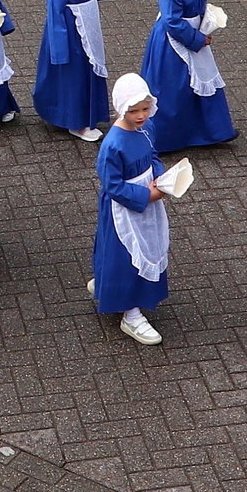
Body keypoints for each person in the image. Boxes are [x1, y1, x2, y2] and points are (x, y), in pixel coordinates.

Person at [135, 0, 235, 154]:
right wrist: (197, 39)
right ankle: (165, 138)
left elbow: (200, 3)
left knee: (199, 77)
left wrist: (207, 23)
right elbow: (171, 21)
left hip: (193, 33)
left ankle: (210, 130)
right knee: (173, 86)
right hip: (172, 42)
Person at [90, 72, 171, 346]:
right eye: (133, 111)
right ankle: (130, 313)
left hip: (148, 200)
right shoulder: (112, 144)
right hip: (124, 209)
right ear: (121, 108)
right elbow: (112, 186)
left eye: (145, 109)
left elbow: (153, 156)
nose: (141, 116)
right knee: (124, 254)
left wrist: (159, 177)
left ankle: (107, 285)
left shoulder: (147, 128)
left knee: (147, 246)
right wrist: (146, 195)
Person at [33, 0, 125, 142]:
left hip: (87, 26)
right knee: (73, 76)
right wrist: (59, 47)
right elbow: (54, 10)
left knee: (86, 71)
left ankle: (86, 114)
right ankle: (75, 122)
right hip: (69, 31)